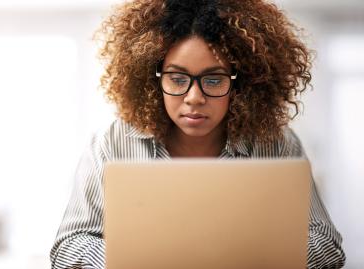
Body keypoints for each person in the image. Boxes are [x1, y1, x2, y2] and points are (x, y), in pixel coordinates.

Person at [50, 0, 346, 268]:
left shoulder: (276, 142)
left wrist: (254, 259)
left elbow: (326, 243)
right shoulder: (112, 143)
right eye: (177, 78)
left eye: (213, 79)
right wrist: (129, 261)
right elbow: (68, 246)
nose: (194, 97)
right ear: (153, 79)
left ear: (241, 84)